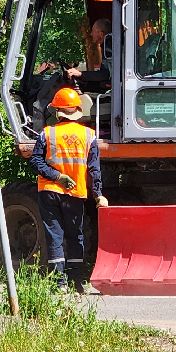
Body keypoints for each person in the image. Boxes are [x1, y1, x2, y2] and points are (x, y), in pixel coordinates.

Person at [29, 86, 108, 289]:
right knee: (75, 235)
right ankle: (77, 281)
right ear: (78, 111)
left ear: (57, 112)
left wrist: (57, 176)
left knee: (55, 236)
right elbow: (94, 169)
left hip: (50, 190)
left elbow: (35, 161)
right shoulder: (89, 135)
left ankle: (59, 283)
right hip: (75, 193)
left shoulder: (47, 133)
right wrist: (98, 194)